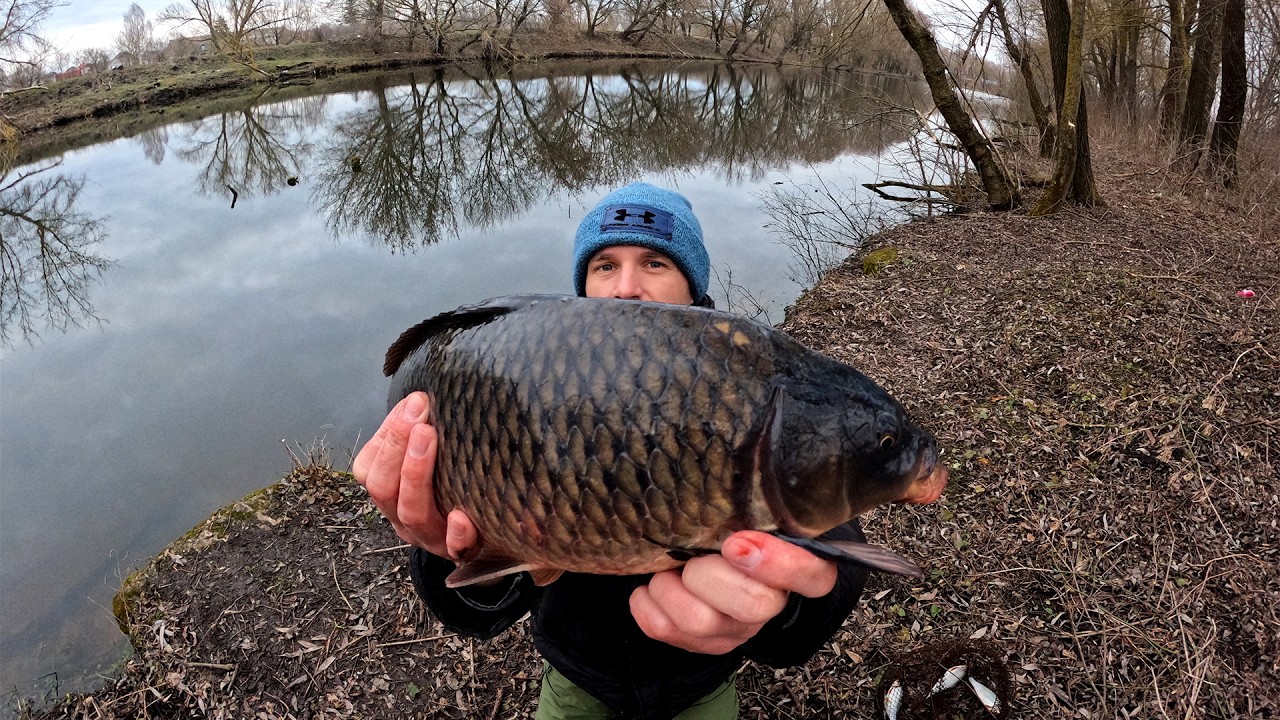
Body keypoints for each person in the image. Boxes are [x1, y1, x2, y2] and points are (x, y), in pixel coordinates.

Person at [353, 183, 870, 719]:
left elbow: (834, 541)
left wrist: (779, 605)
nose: (625, 288)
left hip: (700, 683)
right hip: (577, 677)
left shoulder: (744, 382)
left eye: (654, 263)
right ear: (582, 289)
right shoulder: (537, 386)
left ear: (693, 290)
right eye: (604, 265)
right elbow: (476, 608)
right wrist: (446, 549)